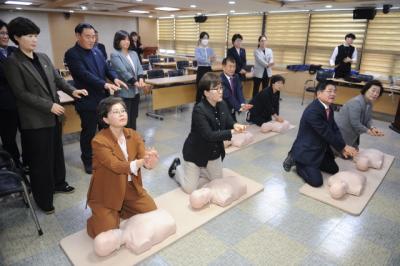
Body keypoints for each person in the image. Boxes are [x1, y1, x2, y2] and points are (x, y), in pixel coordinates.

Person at [4, 17, 88, 213]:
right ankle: (43, 198)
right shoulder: (12, 62)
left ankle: (59, 183)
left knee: (57, 153)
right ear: (17, 37)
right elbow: (21, 93)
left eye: (35, 35)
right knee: (40, 160)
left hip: (54, 117)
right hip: (35, 120)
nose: (34, 40)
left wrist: (72, 91)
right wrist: (49, 105)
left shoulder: (42, 57)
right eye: (29, 36)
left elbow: (58, 80)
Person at [86, 96, 157, 238]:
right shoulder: (99, 141)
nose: (122, 114)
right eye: (116, 112)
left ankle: (122, 209)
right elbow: (115, 165)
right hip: (107, 191)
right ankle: (98, 217)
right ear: (105, 119)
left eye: (123, 110)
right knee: (105, 233)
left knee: (151, 210)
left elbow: (144, 157)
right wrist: (140, 162)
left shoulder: (134, 135)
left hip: (130, 188)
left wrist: (149, 160)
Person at [168, 72, 247, 194]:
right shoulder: (199, 110)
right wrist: (232, 132)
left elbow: (228, 120)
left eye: (221, 88)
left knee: (217, 182)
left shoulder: (222, 104)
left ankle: (202, 170)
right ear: (206, 93)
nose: (220, 91)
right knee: (190, 189)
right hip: (195, 153)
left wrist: (235, 124)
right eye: (216, 89)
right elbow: (209, 135)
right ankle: (176, 168)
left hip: (213, 153)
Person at [65, 23, 127, 174]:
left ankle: (106, 156)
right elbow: (84, 74)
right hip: (87, 100)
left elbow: (107, 68)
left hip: (103, 100)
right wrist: (105, 84)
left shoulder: (97, 50)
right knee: (89, 132)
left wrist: (114, 78)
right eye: (88, 36)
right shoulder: (72, 54)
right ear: (78, 36)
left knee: (106, 130)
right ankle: (88, 160)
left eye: (93, 36)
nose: (92, 40)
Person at [282, 81, 357, 187]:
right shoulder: (313, 111)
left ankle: (313, 164)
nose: (333, 94)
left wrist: (342, 147)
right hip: (307, 149)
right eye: (329, 91)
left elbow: (334, 128)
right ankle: (298, 162)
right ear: (319, 93)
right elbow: (326, 133)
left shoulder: (328, 107)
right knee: (316, 182)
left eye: (334, 91)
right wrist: (343, 146)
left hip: (321, 147)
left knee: (334, 169)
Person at [110, 30, 147, 130]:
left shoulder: (134, 53)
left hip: (135, 91)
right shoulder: (115, 55)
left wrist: (141, 80)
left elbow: (139, 68)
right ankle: (126, 139)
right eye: (123, 40)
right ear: (118, 41)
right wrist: (135, 82)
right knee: (126, 119)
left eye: (127, 39)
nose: (126, 42)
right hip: (124, 92)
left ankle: (133, 137)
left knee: (134, 116)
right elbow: (123, 72)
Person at [335, 80, 384, 149]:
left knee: (356, 152)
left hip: (353, 133)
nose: (375, 94)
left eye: (378, 92)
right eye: (373, 90)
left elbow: (368, 119)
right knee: (348, 155)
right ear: (366, 89)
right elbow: (355, 123)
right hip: (342, 132)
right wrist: (369, 131)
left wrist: (373, 128)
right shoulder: (356, 102)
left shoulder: (369, 103)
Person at [0, 19, 20, 166]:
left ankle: (26, 162)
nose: (5, 36)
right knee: (9, 138)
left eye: (7, 33)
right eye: (1, 33)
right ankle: (14, 165)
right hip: (4, 104)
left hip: (22, 102)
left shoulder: (14, 51)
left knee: (27, 135)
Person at [220, 56, 252, 121]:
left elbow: (239, 91)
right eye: (230, 66)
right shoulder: (220, 80)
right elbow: (228, 96)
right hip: (223, 110)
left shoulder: (236, 76)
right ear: (223, 67)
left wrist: (242, 104)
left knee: (233, 125)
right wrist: (239, 107)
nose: (232, 69)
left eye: (234, 66)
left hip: (233, 109)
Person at [195, 32, 216, 103]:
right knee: (200, 88)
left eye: (207, 38)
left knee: (210, 88)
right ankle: (198, 105)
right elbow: (199, 59)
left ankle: (209, 104)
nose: (206, 40)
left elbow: (213, 59)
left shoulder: (210, 49)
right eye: (204, 38)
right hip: (201, 70)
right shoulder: (197, 49)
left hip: (209, 69)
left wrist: (209, 60)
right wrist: (208, 60)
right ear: (201, 39)